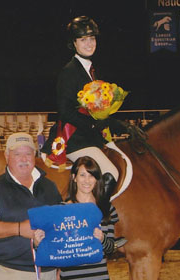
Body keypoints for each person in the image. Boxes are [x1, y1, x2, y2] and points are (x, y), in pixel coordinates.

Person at [42, 15, 125, 203]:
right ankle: (100, 219)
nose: (89, 43)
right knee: (110, 172)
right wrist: (94, 126)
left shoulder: (92, 71)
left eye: (92, 38)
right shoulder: (69, 71)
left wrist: (119, 125)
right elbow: (65, 111)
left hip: (89, 138)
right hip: (75, 140)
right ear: (74, 43)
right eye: (83, 39)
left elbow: (95, 112)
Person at [0, 132, 62, 280]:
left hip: (49, 272)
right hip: (11, 272)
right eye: (17, 154)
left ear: (35, 155)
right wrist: (19, 229)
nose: (24, 159)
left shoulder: (49, 186)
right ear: (7, 156)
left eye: (28, 153)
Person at [34, 156, 121, 279]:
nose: (87, 180)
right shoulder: (61, 210)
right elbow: (54, 248)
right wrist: (38, 244)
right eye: (82, 175)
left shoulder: (106, 208)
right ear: (74, 178)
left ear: (97, 179)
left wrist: (102, 239)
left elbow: (110, 248)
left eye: (91, 176)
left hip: (99, 276)